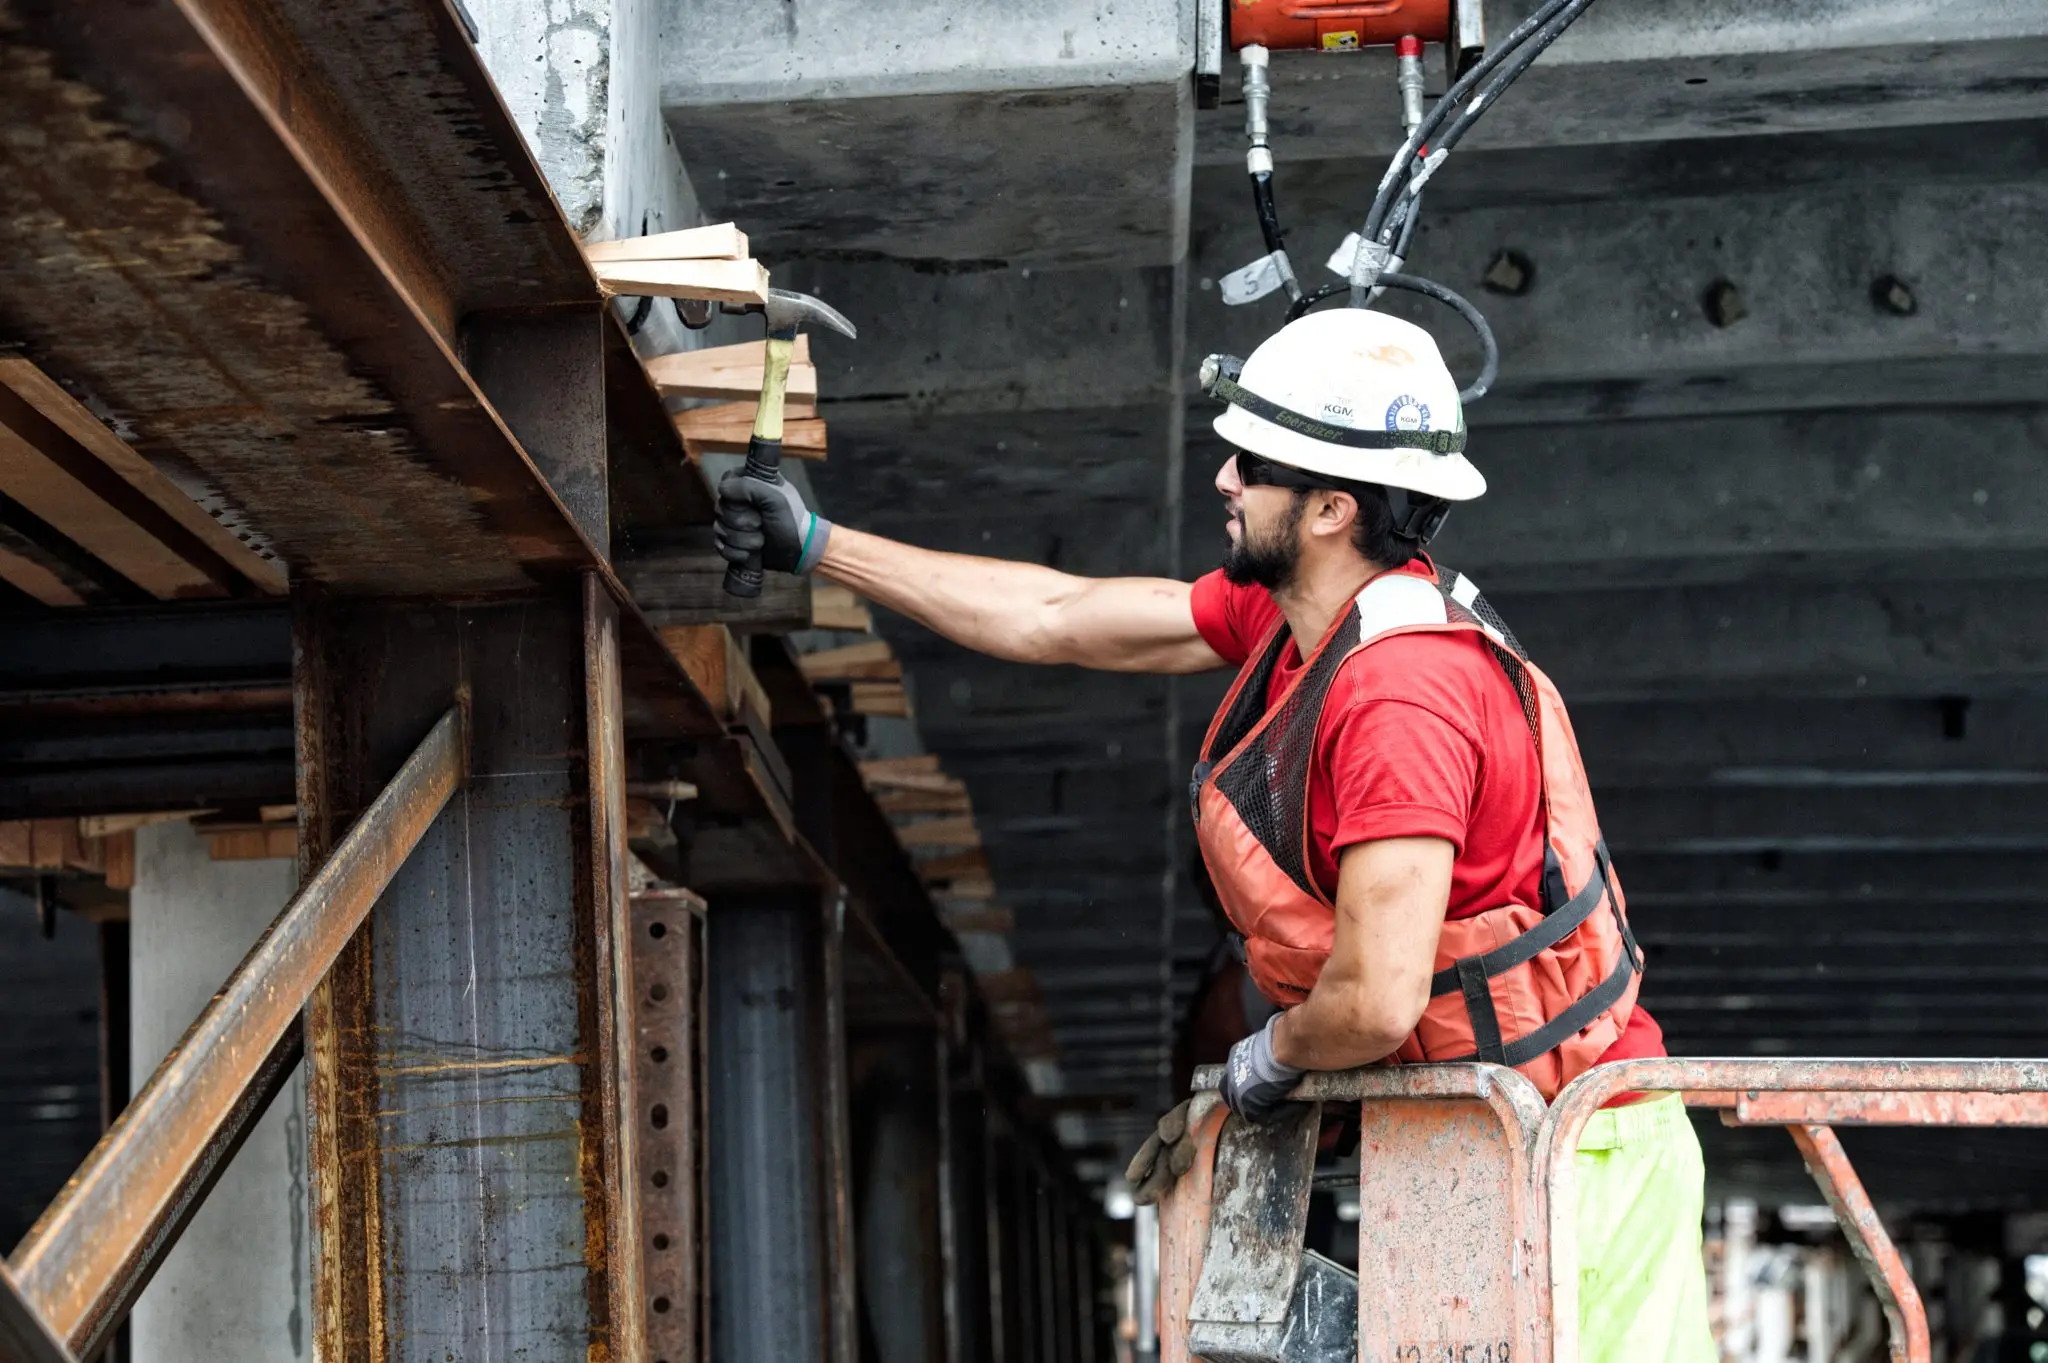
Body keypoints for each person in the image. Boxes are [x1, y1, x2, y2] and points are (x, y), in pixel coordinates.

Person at [714, 306, 1715, 1363]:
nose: (1222, 479)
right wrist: (817, 544)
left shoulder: (1399, 700)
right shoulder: (1299, 627)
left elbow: (1374, 1000)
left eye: (1251, 464)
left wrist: (1260, 1062)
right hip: (1483, 1139)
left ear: (1328, 507)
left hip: (1576, 1157)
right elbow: (1054, 616)